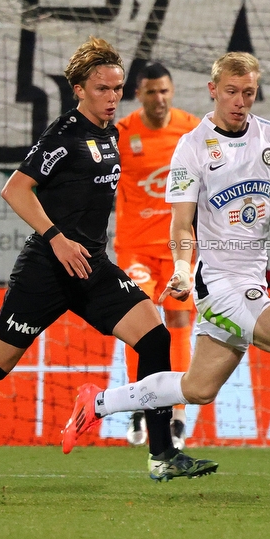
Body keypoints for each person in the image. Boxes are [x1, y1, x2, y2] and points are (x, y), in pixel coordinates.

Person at [0, 37, 218, 482]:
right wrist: (56, 238)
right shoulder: (64, 135)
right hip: (47, 269)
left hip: (90, 267)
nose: (112, 98)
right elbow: (14, 189)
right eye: (102, 89)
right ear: (79, 90)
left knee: (154, 338)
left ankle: (162, 453)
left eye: (117, 89)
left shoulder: (111, 133)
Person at [62, 52, 270, 495]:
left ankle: (98, 403)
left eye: (248, 93)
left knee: (197, 389)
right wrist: (179, 267)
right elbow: (180, 222)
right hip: (220, 283)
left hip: (250, 281)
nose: (240, 101)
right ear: (213, 90)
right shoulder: (192, 146)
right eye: (231, 92)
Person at [114, 62, 199, 449]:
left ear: (172, 91)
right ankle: (139, 401)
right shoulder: (122, 134)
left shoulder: (192, 129)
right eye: (151, 92)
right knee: (144, 317)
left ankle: (177, 413)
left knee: (179, 319)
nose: (159, 99)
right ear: (139, 94)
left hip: (178, 246)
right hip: (134, 247)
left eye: (165, 91)